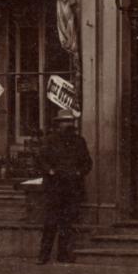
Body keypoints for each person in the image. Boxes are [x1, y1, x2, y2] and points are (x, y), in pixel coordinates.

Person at [35, 112, 92, 264]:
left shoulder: (79, 141)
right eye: (64, 122)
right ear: (58, 124)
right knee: (50, 222)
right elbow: (40, 160)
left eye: (70, 121)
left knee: (67, 222)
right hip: (54, 186)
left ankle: (63, 255)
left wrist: (79, 172)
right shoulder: (49, 140)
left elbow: (87, 162)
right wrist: (50, 171)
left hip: (72, 187)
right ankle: (43, 255)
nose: (68, 124)